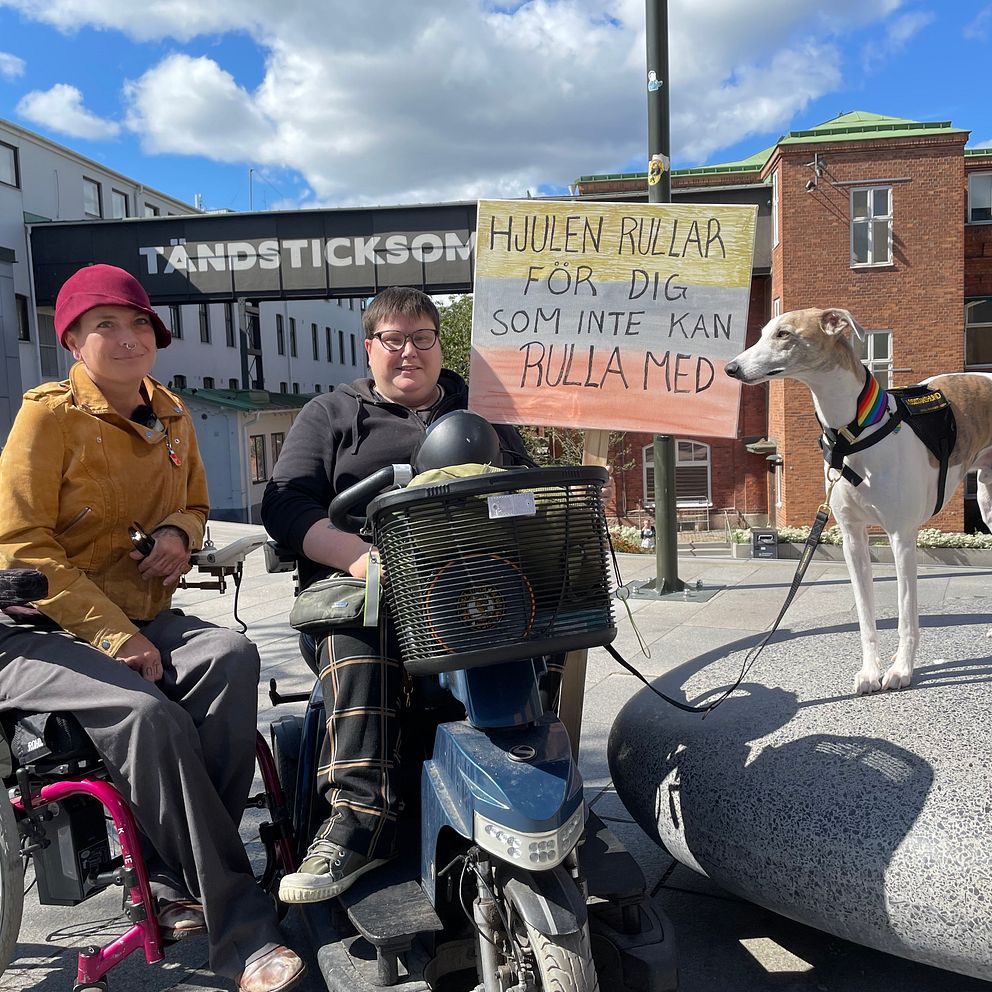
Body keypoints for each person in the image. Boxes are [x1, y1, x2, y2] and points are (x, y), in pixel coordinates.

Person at [0, 265, 304, 992]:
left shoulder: (171, 414)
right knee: (147, 715)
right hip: (33, 628)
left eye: (139, 324)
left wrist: (175, 530)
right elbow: (22, 548)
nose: (128, 337)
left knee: (232, 655)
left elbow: (196, 504)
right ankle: (243, 929)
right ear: (71, 338)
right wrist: (114, 637)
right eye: (105, 324)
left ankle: (173, 880)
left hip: (143, 612)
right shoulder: (48, 417)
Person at [262, 286, 532, 903]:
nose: (409, 351)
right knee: (362, 627)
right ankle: (359, 822)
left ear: (441, 345)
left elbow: (525, 489)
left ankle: (531, 785)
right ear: (369, 347)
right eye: (394, 339)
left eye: (423, 338)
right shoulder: (330, 414)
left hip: (471, 582)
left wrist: (518, 501)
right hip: (364, 584)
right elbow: (283, 501)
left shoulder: (483, 408)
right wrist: (356, 556)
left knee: (534, 622)